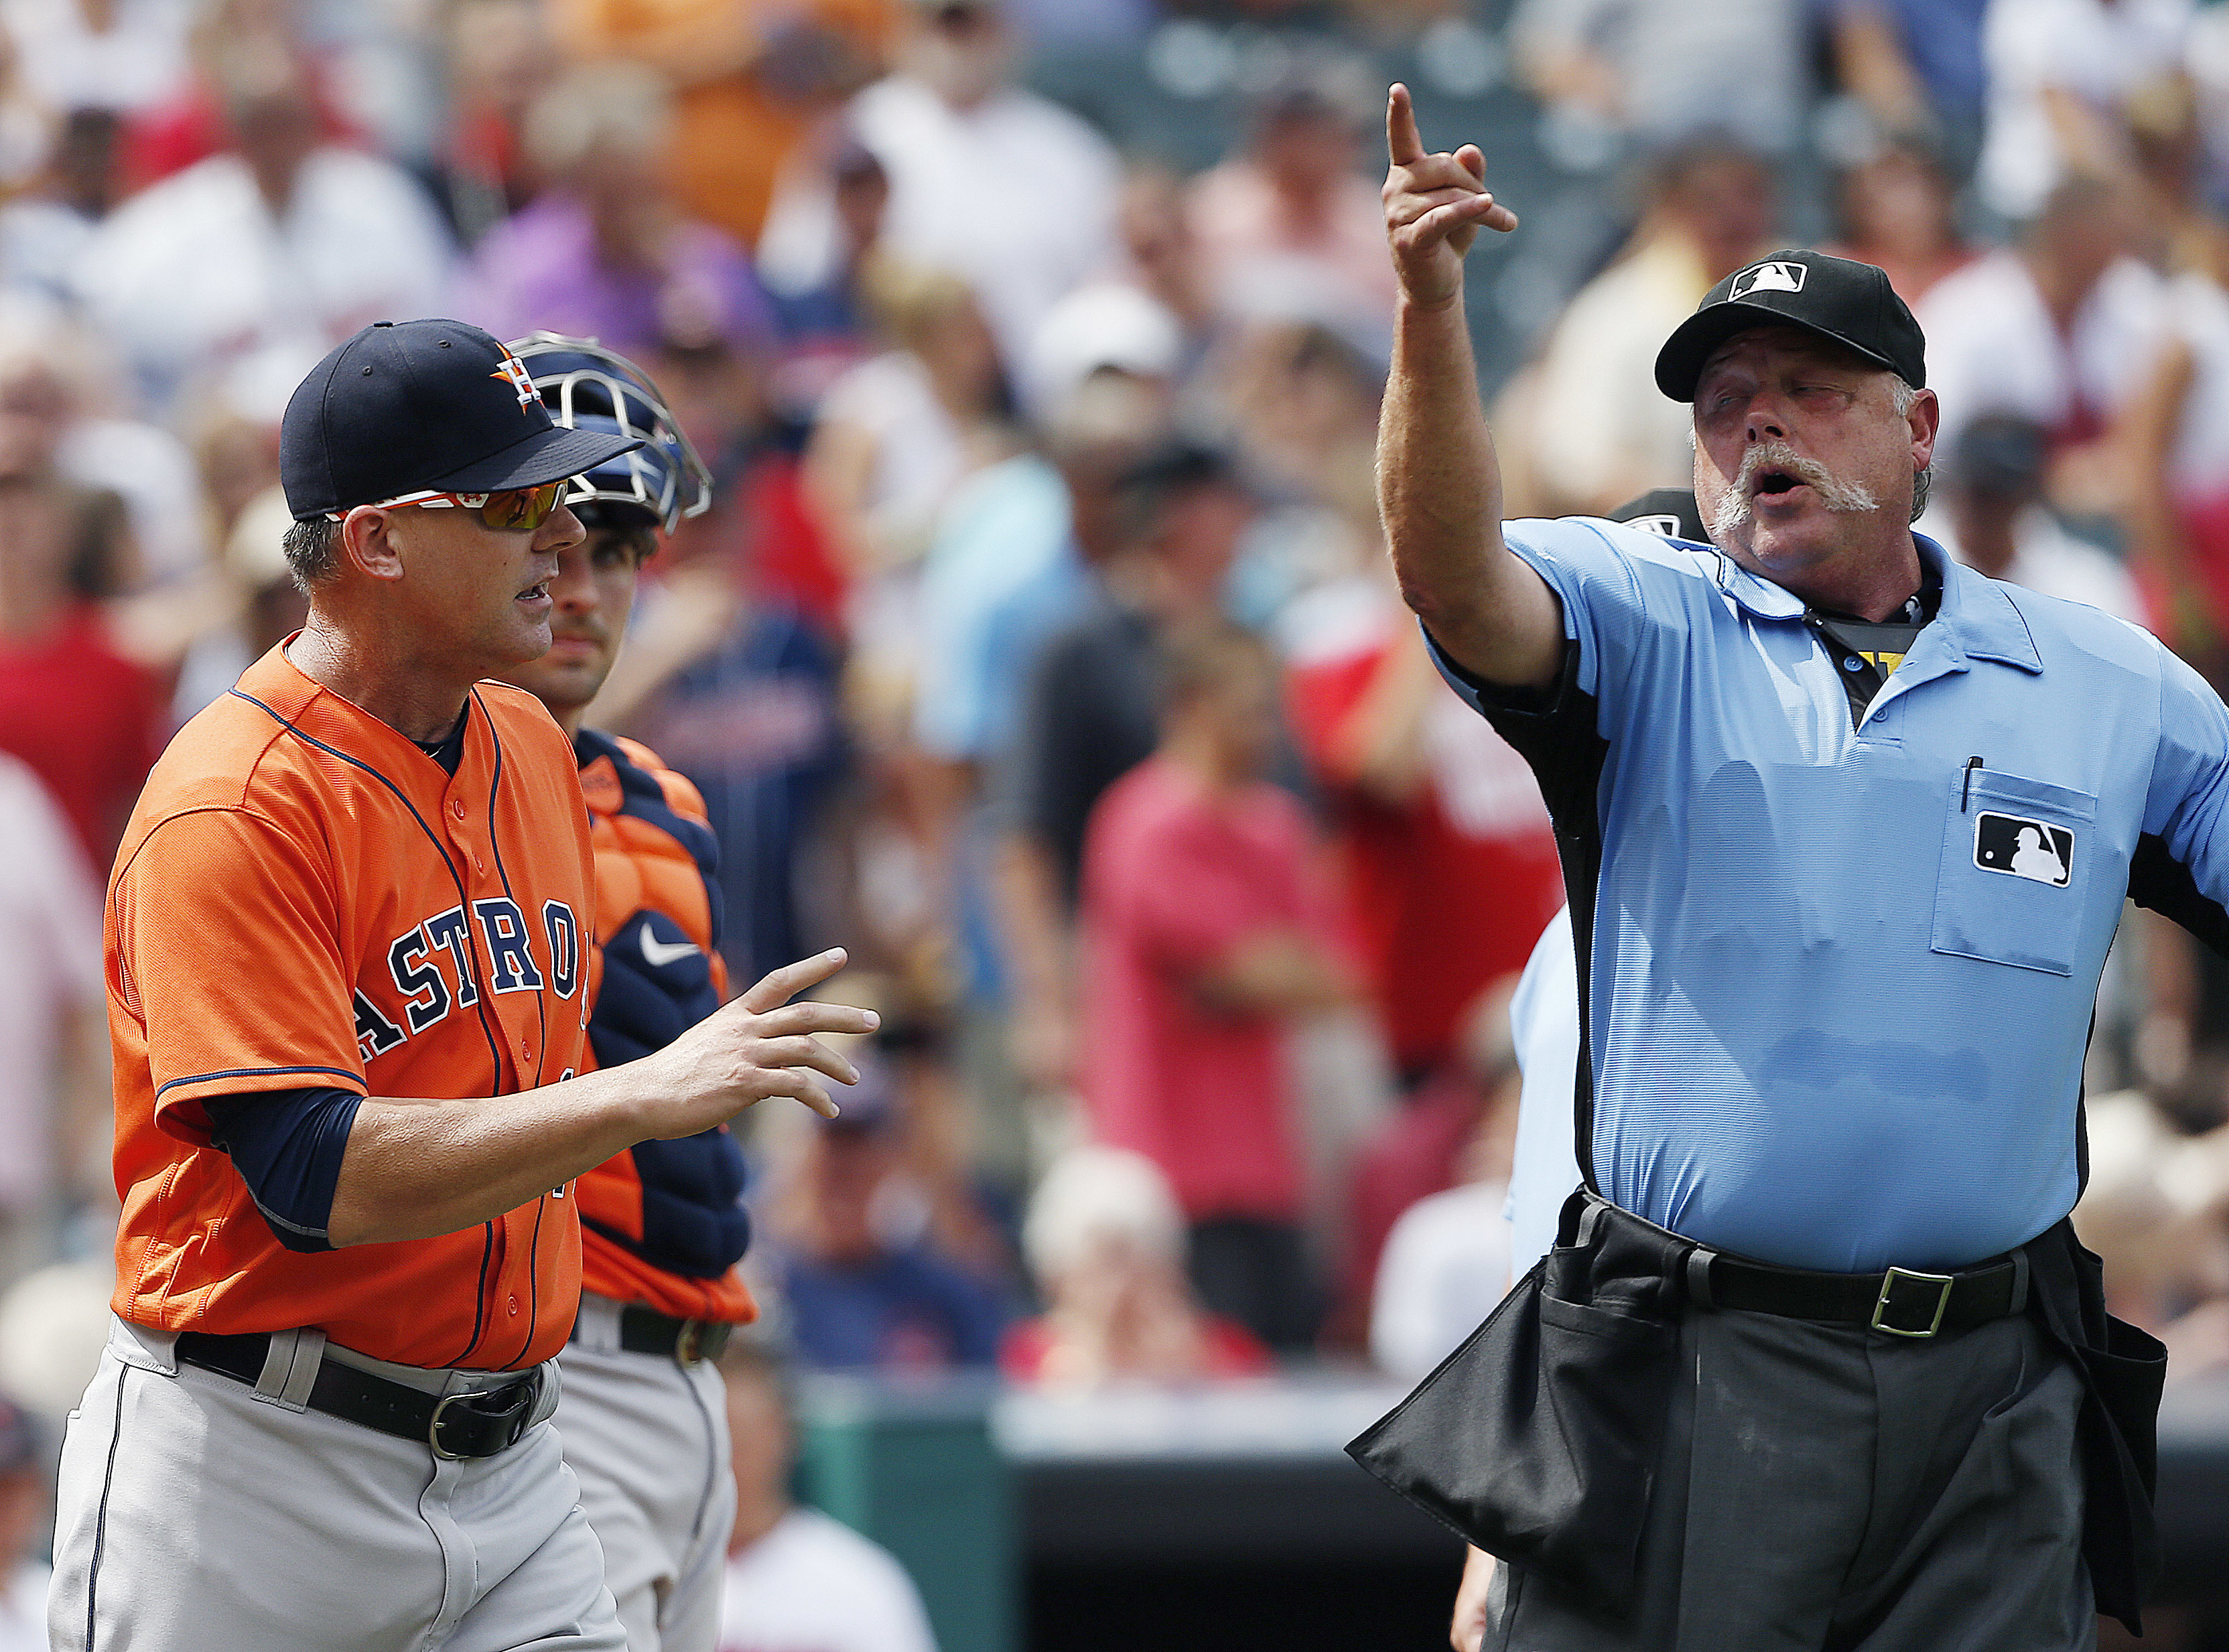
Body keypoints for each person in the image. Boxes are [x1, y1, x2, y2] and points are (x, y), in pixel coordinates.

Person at [1379, 82, 2197, 1650]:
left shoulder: (2106, 680)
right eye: (1722, 397)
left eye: (1811, 387)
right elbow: (1455, 577)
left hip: (1991, 1381)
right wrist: (1428, 317)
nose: (1756, 420)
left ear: (1918, 427)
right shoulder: (1645, 615)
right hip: (1702, 1365)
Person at [48, 317, 878, 1652]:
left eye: (568, 500)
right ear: (375, 544)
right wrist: (641, 1098)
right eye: (514, 503)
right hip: (254, 1469)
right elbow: (318, 1172)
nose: (560, 538)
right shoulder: (232, 803)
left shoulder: (524, 746)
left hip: (508, 1465)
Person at [489, 332, 740, 1652]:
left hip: (694, 1380)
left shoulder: (665, 800)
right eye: (549, 544)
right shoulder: (420, 789)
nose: (583, 588)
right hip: (539, 1371)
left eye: (621, 547)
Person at [1077, 620, 1354, 1351]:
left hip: (1269, 1173)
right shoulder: (1143, 822)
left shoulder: (1279, 825)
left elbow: (1338, 978)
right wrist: (1260, 971)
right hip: (1169, 1177)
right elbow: (1245, 972)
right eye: (1248, 707)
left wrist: (1263, 971)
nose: (1267, 728)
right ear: (1190, 707)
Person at [714, 1338, 938, 1652]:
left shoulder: (858, 1581)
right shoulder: (650, 1574)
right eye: (711, 1439)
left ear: (785, 1433)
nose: (725, 1458)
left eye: (739, 1436)